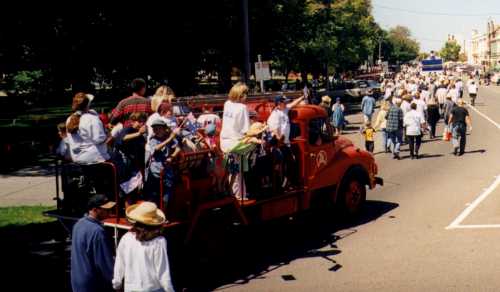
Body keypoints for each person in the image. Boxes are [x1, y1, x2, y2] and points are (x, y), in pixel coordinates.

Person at [113, 202, 174, 292]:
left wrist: (116, 284)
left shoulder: (126, 238)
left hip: (130, 289)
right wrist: (170, 290)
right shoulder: (159, 242)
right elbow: (163, 272)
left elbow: (119, 264)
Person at [71, 194, 116, 292]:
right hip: (93, 285)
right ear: (95, 210)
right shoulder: (98, 232)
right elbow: (105, 264)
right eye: (106, 209)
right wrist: (116, 283)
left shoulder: (78, 224)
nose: (110, 212)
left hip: (77, 281)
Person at [66, 92, 110, 164]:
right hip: (95, 159)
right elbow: (99, 139)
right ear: (88, 105)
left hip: (77, 158)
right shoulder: (92, 119)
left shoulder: (69, 119)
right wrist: (108, 134)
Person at [144, 119, 181, 204]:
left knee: (167, 194)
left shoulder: (168, 137)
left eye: (159, 128)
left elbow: (178, 148)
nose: (156, 131)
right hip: (155, 172)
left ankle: (164, 211)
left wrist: (172, 157)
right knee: (153, 196)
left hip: (167, 171)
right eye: (154, 129)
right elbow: (156, 148)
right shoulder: (153, 139)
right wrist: (169, 139)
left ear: (164, 129)